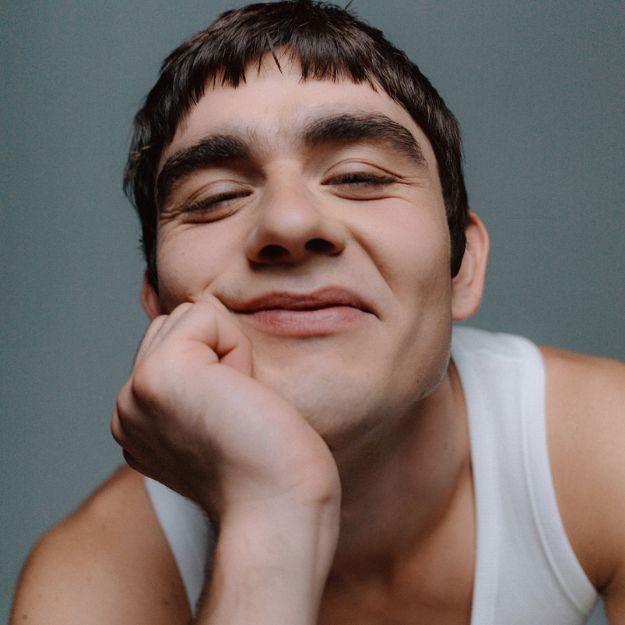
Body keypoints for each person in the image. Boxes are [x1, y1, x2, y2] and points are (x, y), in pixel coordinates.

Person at [10, 1, 625, 623]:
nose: (289, 221)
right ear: (160, 307)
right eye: (217, 197)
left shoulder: (609, 447)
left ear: (461, 268)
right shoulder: (87, 585)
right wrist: (274, 507)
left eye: (358, 177)